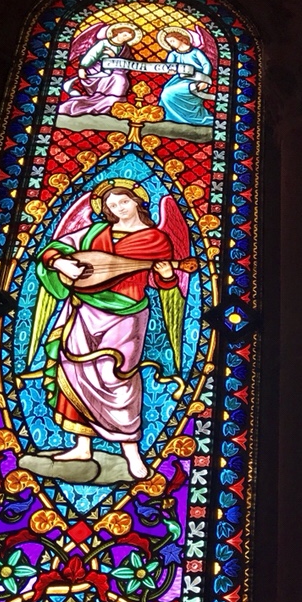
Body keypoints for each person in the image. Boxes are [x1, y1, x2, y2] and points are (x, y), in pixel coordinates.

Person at [34, 179, 188, 479]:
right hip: (84, 308)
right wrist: (61, 263)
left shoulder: (156, 239)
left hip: (127, 314)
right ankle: (82, 446)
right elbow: (53, 251)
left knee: (118, 378)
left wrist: (168, 275)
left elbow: (161, 282)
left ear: (137, 201)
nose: (119, 208)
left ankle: (132, 452)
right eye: (112, 205)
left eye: (124, 202)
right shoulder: (95, 232)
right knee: (73, 369)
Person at [59, 23, 140, 117]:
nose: (126, 38)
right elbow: (91, 55)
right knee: (118, 79)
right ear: (117, 33)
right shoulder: (103, 43)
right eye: (125, 35)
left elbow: (128, 62)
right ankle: (104, 105)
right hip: (97, 70)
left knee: (121, 79)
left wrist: (114, 56)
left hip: (116, 71)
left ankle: (114, 106)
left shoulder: (125, 48)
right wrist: (82, 68)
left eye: (129, 38)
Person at [157, 27, 213, 126]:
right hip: (178, 80)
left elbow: (206, 65)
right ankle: (171, 119)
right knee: (165, 93)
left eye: (172, 41)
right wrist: (170, 71)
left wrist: (204, 81)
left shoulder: (196, 52)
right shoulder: (173, 54)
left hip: (196, 79)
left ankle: (194, 119)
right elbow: (169, 66)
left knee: (168, 92)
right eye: (169, 43)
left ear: (181, 39)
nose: (171, 44)